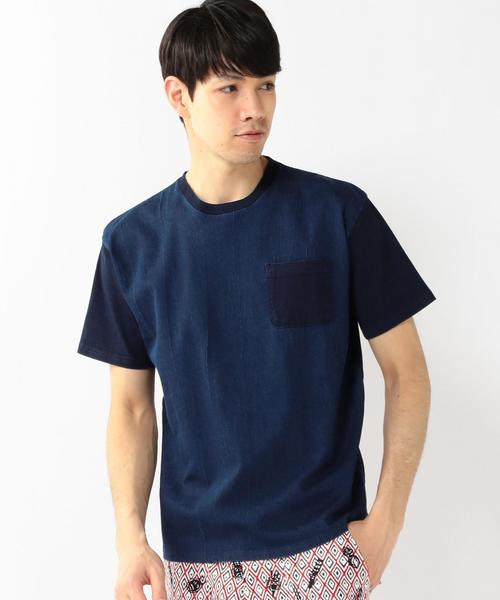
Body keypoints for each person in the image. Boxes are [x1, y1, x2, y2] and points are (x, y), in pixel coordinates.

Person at [77, 1, 437, 598]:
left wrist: (385, 527)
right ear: (178, 96)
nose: (256, 108)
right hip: (197, 564)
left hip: (326, 551)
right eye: (230, 88)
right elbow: (131, 408)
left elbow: (408, 373)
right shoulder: (132, 245)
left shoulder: (338, 214)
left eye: (266, 84)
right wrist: (130, 540)